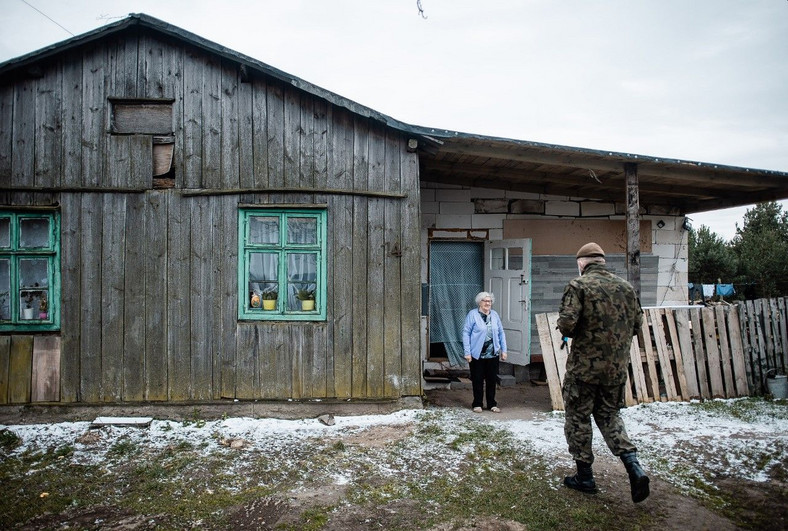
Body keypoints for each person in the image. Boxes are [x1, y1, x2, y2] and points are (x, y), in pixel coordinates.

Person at [557, 242, 650, 503]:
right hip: (615, 371)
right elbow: (637, 325)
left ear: (582, 263)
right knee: (609, 415)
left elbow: (567, 325)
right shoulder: (627, 288)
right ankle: (633, 466)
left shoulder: (579, 286)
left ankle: (585, 477)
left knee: (578, 418)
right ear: (603, 261)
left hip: (584, 371)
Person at [462, 291, 508, 413]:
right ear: (479, 302)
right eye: (485, 301)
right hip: (477, 354)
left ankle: (492, 404)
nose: (488, 303)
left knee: (491, 379)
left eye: (489, 301)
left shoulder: (494, 315)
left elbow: (501, 333)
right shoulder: (472, 314)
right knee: (477, 379)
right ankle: (477, 404)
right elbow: (466, 333)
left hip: (492, 353)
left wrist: (504, 350)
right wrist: (467, 352)